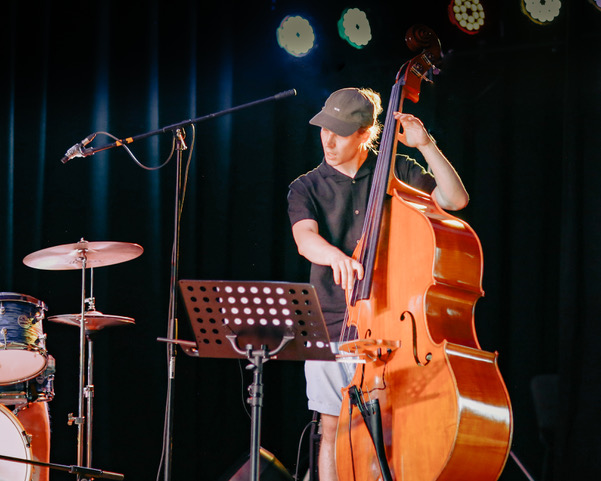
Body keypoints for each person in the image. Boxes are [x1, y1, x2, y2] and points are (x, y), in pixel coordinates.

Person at [286, 87, 469, 481]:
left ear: (365, 133)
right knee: (332, 428)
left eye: (339, 133)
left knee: (394, 429)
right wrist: (335, 256)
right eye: (324, 130)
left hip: (393, 326)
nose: (328, 141)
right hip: (331, 324)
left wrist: (426, 145)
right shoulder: (306, 186)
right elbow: (305, 239)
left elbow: (455, 201)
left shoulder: (397, 171)